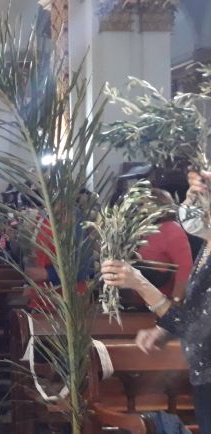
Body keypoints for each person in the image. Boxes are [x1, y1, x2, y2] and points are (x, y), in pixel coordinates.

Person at [102, 170, 211, 434]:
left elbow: (198, 326)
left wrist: (140, 283)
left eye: (198, 197)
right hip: (202, 373)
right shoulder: (207, 246)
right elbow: (198, 306)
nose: (188, 206)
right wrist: (164, 330)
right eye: (189, 196)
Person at [136, 188, 193, 300]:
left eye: (142, 204)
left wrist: (175, 303)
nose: (139, 209)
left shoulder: (172, 229)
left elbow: (185, 268)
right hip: (141, 299)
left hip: (161, 301)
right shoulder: (144, 229)